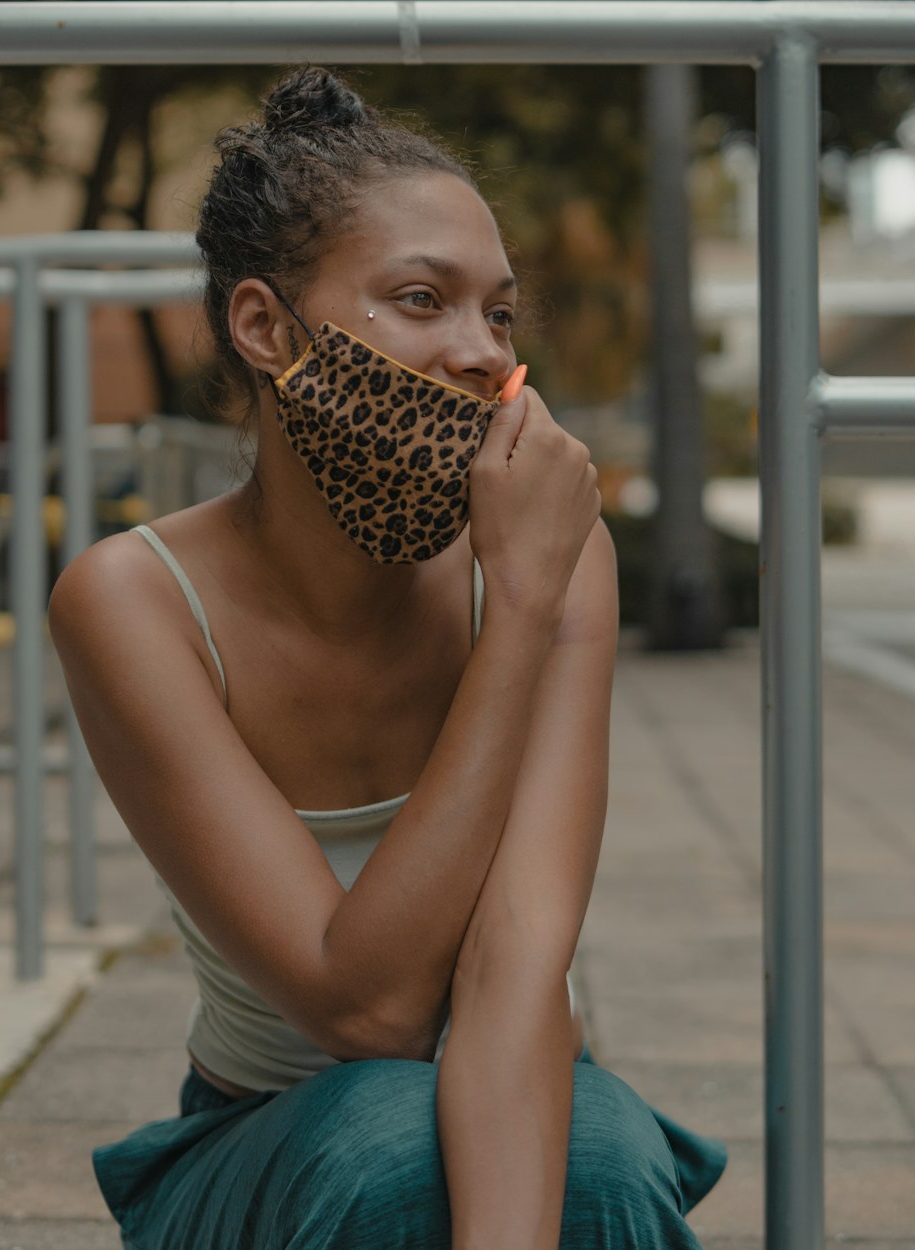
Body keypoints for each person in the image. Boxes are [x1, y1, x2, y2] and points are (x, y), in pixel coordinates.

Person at [50, 67, 725, 1250]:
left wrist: (525, 587)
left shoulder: (561, 559)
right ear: (266, 327)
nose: (480, 354)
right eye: (423, 299)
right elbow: (366, 1002)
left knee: (605, 1160)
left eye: (500, 313)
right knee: (391, 1141)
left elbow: (517, 970)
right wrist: (515, 608)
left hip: (507, 1068)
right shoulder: (131, 599)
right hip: (265, 1133)